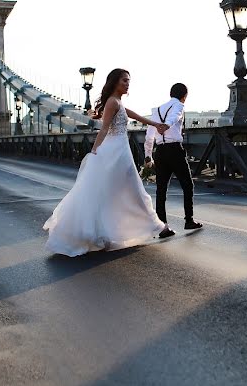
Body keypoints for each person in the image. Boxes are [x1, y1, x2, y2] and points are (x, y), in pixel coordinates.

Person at [43, 68, 171, 256]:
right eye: (124, 81)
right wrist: (94, 151)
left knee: (117, 192)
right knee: (132, 190)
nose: (127, 84)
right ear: (114, 82)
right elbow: (103, 129)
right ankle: (158, 227)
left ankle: (132, 228)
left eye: (129, 81)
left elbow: (134, 115)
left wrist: (155, 124)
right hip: (116, 151)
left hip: (120, 150)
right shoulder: (112, 102)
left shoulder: (117, 102)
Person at [144, 82, 202, 232]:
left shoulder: (156, 110)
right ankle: (189, 220)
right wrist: (167, 125)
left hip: (160, 152)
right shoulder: (179, 106)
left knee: (161, 189)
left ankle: (162, 226)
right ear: (184, 96)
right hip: (175, 150)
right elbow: (175, 117)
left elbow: (149, 136)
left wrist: (148, 155)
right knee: (187, 185)